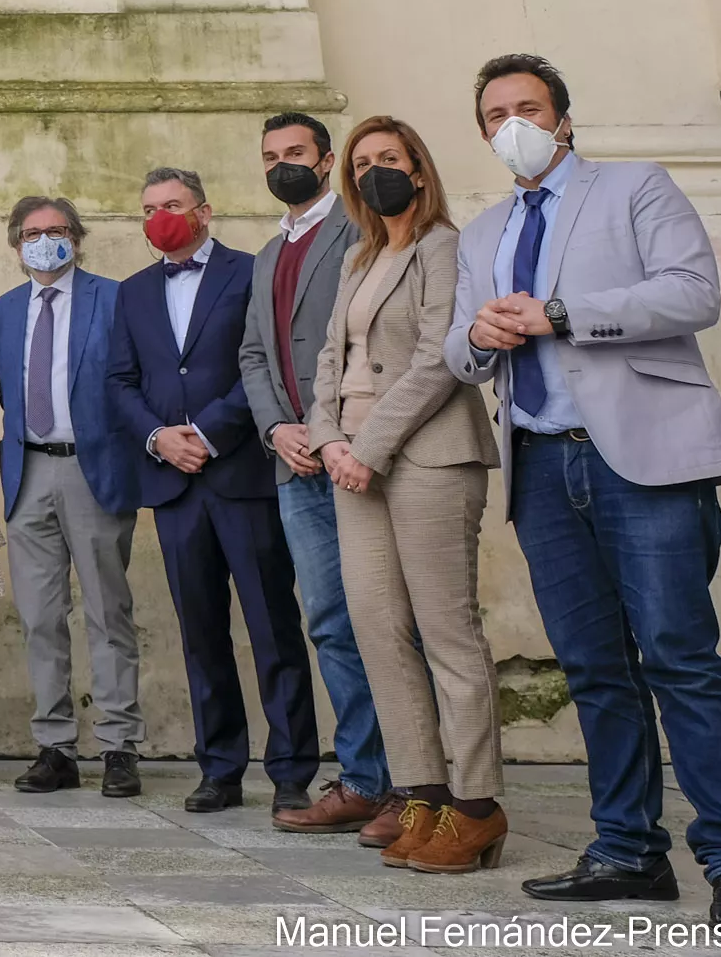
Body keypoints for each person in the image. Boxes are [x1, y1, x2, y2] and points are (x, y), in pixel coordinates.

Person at [443, 54, 721, 933]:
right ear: (482, 132)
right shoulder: (478, 235)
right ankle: (626, 849)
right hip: (542, 467)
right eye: (494, 114)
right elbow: (458, 356)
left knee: (678, 658)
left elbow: (692, 293)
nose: (511, 124)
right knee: (593, 668)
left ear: (562, 118)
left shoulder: (634, 187)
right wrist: (477, 335)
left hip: (642, 456)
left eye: (528, 107)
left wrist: (558, 314)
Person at [312, 116, 506, 873]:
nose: (372, 173)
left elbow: (437, 358)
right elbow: (333, 355)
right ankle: (421, 792)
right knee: (377, 628)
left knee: (446, 630)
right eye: (360, 164)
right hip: (351, 462)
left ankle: (477, 805)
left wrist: (365, 446)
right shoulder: (359, 257)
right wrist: (326, 436)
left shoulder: (441, 247)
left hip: (425, 455)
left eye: (387, 160)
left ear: (418, 171)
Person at [105, 166, 319, 815]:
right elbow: (120, 380)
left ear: (204, 211)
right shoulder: (132, 292)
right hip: (172, 485)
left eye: (171, 205)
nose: (158, 217)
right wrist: (158, 438)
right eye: (147, 208)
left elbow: (262, 360)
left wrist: (206, 430)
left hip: (240, 475)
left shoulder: (250, 271)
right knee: (200, 633)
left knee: (271, 627)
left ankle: (289, 770)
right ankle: (219, 767)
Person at [238, 113, 388, 835]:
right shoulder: (268, 253)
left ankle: (417, 780)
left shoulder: (361, 233)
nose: (281, 166)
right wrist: (275, 428)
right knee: (328, 623)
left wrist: (328, 433)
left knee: (386, 619)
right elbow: (252, 356)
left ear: (326, 161)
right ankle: (363, 777)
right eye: (270, 157)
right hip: (293, 464)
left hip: (357, 455)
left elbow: (371, 344)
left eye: (294, 153)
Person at [0, 196, 144, 797]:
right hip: (29, 472)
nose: (44, 240)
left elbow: (129, 380)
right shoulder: (2, 310)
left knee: (108, 611)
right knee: (40, 617)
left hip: (93, 469)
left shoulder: (113, 297)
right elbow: (8, 390)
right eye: (32, 232)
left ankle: (119, 746)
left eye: (56, 231)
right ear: (15, 243)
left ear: (76, 238)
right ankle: (55, 746)